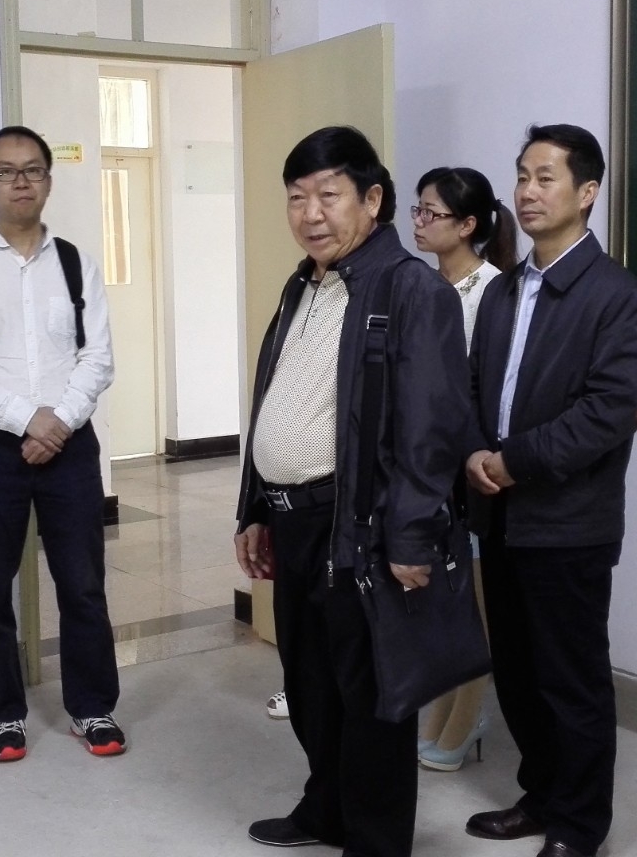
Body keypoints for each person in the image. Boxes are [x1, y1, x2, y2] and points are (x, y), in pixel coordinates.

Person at [234, 126, 471, 857]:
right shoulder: (303, 284)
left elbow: (430, 429)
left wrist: (411, 538)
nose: (310, 214)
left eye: (328, 195)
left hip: (360, 526)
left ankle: (375, 839)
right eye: (296, 198)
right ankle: (326, 810)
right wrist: (254, 506)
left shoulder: (411, 290)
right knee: (310, 683)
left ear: (372, 200)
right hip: (294, 522)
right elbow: (275, 397)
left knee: (370, 695)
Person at [462, 125, 637, 857]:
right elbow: (473, 387)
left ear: (587, 192)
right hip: (501, 516)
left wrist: (514, 460)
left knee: (570, 681)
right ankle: (541, 796)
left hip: (569, 522)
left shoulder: (617, 296)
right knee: (516, 672)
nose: (527, 191)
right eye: (521, 176)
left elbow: (608, 412)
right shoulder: (503, 290)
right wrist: (475, 451)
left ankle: (579, 825)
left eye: (545, 177)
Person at [0, 125, 125, 762]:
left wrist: (58, 423)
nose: (21, 181)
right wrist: (26, 420)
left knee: (83, 585)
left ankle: (92, 708)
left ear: (48, 180)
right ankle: (4, 715)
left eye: (33, 169)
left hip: (70, 446)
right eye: (6, 171)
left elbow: (97, 357)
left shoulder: (76, 264)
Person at [409, 166, 516, 771]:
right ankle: (444, 710)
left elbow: (483, 393)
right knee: (442, 604)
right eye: (417, 210)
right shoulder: (425, 286)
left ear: (468, 224)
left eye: (432, 213)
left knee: (471, 605)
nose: (420, 221)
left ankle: (468, 714)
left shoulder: (493, 292)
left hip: (470, 470)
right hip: (428, 469)